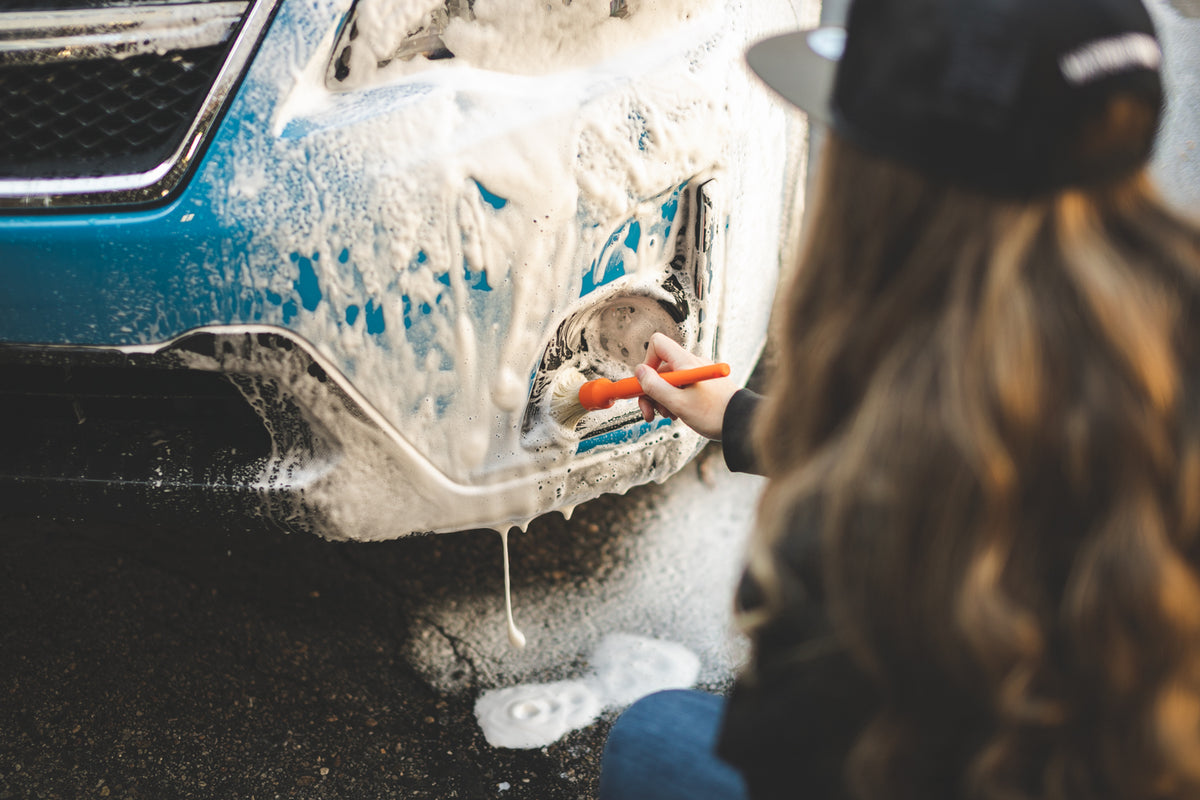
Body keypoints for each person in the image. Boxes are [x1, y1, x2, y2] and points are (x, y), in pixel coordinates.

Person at [598, 0, 1200, 798]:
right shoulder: (1160, 327)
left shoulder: (860, 547)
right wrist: (746, 420)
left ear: (881, 188)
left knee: (652, 741)